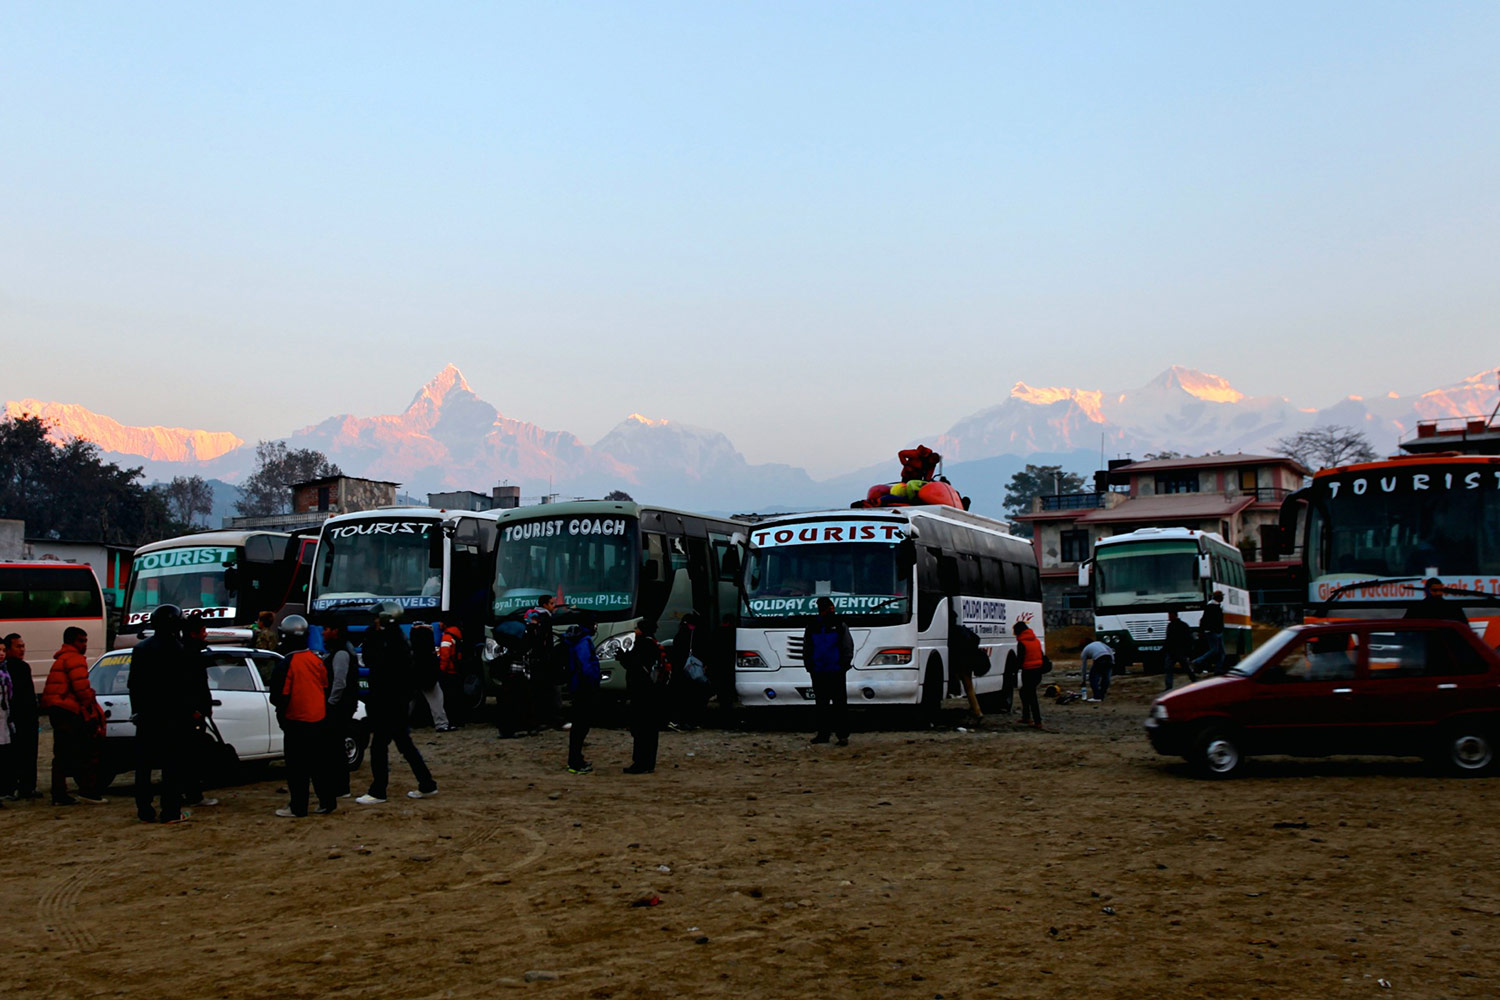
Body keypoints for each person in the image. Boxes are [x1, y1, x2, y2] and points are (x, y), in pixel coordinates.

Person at [356, 602, 437, 804]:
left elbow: (376, 664)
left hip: (389, 703)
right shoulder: (393, 638)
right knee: (404, 745)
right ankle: (426, 783)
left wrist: (372, 637)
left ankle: (378, 790)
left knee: (379, 747)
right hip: (394, 702)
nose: (373, 621)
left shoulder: (391, 642)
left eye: (376, 618)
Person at [128, 605, 202, 823]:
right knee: (172, 766)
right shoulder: (180, 650)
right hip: (174, 718)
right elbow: (187, 686)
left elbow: (134, 684)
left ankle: (144, 809)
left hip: (147, 715)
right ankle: (170, 810)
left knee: (143, 766)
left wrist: (138, 711)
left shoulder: (141, 649)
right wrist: (191, 712)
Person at [273, 615, 338, 818]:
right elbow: (325, 687)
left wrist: (282, 716)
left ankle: (298, 807)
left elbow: (279, 695)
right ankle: (327, 802)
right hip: (318, 719)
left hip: (296, 721)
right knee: (320, 765)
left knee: (297, 769)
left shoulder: (287, 663)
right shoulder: (317, 660)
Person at [39, 627, 107, 805]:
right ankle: (87, 791)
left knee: (61, 753)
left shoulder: (61, 658)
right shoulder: (75, 659)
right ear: (73, 642)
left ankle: (59, 793)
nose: (85, 645)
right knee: (85, 750)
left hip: (57, 709)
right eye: (81, 641)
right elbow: (81, 688)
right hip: (68, 710)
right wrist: (89, 709)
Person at [802, 597, 854, 746]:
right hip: (820, 670)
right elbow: (807, 647)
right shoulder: (813, 626)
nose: (829, 610)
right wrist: (809, 666)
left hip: (833, 670)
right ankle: (826, 734)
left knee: (836, 704)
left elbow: (847, 647)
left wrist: (844, 665)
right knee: (824, 704)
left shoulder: (838, 625)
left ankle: (840, 735)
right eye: (827, 607)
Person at [619, 620, 668, 774]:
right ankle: (649, 763)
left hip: (641, 693)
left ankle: (640, 763)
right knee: (651, 730)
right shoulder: (654, 643)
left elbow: (634, 666)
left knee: (640, 729)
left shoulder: (641, 645)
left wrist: (622, 657)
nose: (635, 630)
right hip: (654, 693)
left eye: (637, 628)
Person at [323, 623, 359, 799]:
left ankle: (341, 787)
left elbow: (339, 682)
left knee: (336, 745)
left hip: (339, 706)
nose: (324, 632)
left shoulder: (341, 653)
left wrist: (330, 703)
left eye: (327, 628)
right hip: (341, 704)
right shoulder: (340, 651)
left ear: (336, 631)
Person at [2, 634, 40, 800]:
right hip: (20, 718)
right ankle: (24, 786)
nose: (22, 650)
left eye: (23, 646)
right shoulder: (14, 669)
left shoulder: (14, 668)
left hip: (18, 719)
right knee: (24, 754)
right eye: (18, 646)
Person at [562, 619, 600, 774]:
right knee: (581, 726)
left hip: (576, 686)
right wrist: (593, 681)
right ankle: (575, 762)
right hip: (584, 687)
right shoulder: (584, 641)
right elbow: (586, 666)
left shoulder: (574, 639)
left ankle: (576, 759)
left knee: (579, 726)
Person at [667, 612, 710, 730]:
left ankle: (677, 720)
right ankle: (692, 721)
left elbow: (675, 653)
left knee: (680, 697)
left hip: (680, 671)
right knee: (694, 698)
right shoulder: (700, 635)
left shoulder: (679, 635)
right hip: (694, 671)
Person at [410, 623, 451, 732]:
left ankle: (398, 724)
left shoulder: (413, 649)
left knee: (409, 701)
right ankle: (441, 724)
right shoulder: (428, 651)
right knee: (436, 699)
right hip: (427, 677)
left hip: (413, 676)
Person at [948, 617, 985, 725]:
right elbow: (976, 639)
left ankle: (977, 711)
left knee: (968, 688)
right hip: (969, 661)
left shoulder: (953, 632)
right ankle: (975, 710)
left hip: (963, 663)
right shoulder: (962, 630)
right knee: (969, 688)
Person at [1013, 621, 1046, 728]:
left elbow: (1020, 659)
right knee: (1025, 692)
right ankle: (1027, 717)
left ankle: (1037, 721)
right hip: (1038, 671)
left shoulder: (1022, 643)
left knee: (1031, 695)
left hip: (1028, 672)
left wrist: (1014, 670)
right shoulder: (1036, 641)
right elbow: (1041, 655)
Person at [1191, 591, 1227, 676]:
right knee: (1215, 650)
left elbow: (1203, 620)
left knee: (1220, 652)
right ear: (1218, 597)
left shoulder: (1213, 606)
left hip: (1214, 631)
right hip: (1213, 632)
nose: (1223, 598)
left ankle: (1218, 669)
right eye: (1222, 596)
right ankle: (1197, 661)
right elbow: (1205, 620)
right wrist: (1203, 630)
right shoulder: (1212, 607)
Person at [437, 624, 465, 729]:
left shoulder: (447, 637)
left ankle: (452, 722)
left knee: (449, 699)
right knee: (457, 697)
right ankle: (459, 721)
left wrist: (442, 670)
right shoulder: (457, 634)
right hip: (457, 671)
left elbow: (445, 655)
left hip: (449, 671)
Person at [1404, 578, 1469, 623]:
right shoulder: (1415, 609)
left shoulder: (1453, 608)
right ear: (1427, 590)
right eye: (1434, 590)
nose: (1438, 593)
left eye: (1441, 590)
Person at [1162, 610, 1197, 691]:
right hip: (1179, 651)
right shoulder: (1183, 625)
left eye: (1170, 615)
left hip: (1174, 651)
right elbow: (1189, 639)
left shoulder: (1171, 626)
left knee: (1169, 669)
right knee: (1185, 668)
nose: (1168, 617)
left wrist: (1165, 648)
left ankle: (1169, 686)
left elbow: (1168, 639)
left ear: (1174, 615)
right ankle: (1194, 680)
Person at [1079, 637, 1115, 702]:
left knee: (1093, 678)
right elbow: (1110, 649)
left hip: (1099, 659)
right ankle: (1102, 695)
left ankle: (1097, 697)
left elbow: (1084, 666)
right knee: (1106, 678)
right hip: (1109, 658)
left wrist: (1083, 679)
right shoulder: (1099, 643)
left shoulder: (1085, 650)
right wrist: (1113, 661)